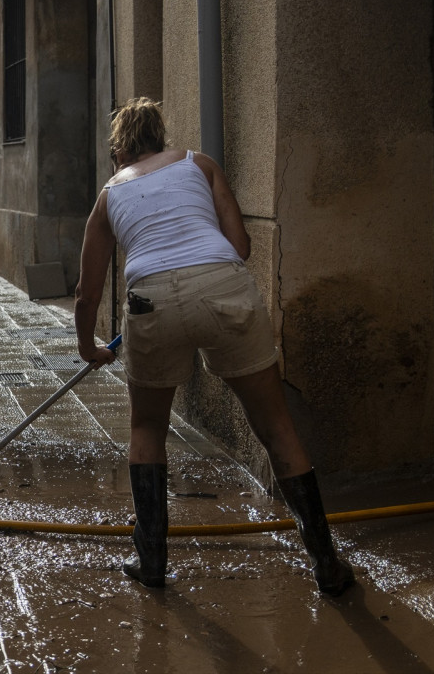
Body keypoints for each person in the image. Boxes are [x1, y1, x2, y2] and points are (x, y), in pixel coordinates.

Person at [74, 97, 354, 597]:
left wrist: (90, 347)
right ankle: (326, 564)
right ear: (161, 139)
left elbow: (87, 291)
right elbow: (241, 246)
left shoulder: (109, 195)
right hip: (223, 287)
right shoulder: (197, 164)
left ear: (120, 151)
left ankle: (153, 563)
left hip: (150, 302)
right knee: (275, 426)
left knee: (146, 427)